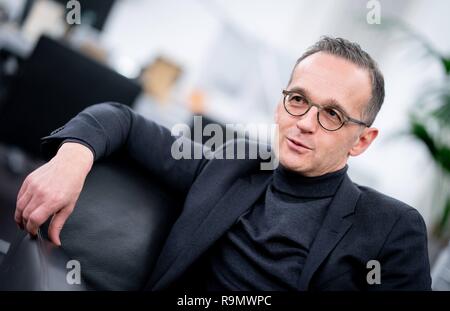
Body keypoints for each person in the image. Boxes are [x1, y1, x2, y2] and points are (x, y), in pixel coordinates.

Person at [14, 37, 431, 290]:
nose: (304, 123)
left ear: (361, 141)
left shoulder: (391, 228)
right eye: (298, 99)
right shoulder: (231, 167)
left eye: (332, 114)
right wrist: (72, 156)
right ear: (280, 104)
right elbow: (121, 119)